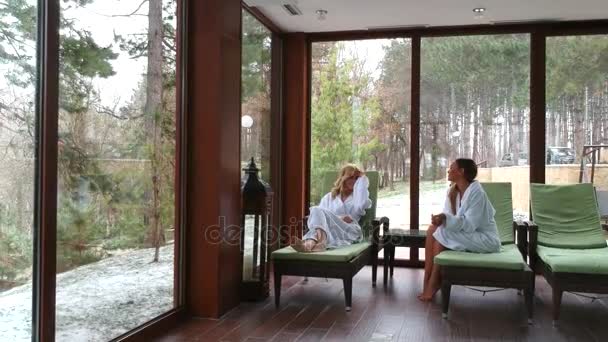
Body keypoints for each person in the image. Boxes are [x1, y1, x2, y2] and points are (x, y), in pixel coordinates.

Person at [418, 158, 501, 301]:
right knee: (432, 229)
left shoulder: (477, 193)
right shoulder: (453, 191)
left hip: (485, 239)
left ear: (461, 172)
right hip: (468, 235)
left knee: (440, 233)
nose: (448, 170)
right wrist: (441, 219)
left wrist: (444, 219)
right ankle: (427, 281)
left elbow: (469, 225)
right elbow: (448, 218)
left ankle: (433, 283)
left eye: (452, 167)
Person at [292, 164, 372, 253]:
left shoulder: (358, 198)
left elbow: (363, 203)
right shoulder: (329, 197)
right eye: (351, 177)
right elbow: (318, 218)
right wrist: (340, 218)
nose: (354, 181)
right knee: (317, 215)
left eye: (356, 178)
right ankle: (310, 245)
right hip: (331, 230)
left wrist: (363, 178)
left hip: (349, 230)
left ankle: (313, 243)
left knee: (316, 210)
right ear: (343, 178)